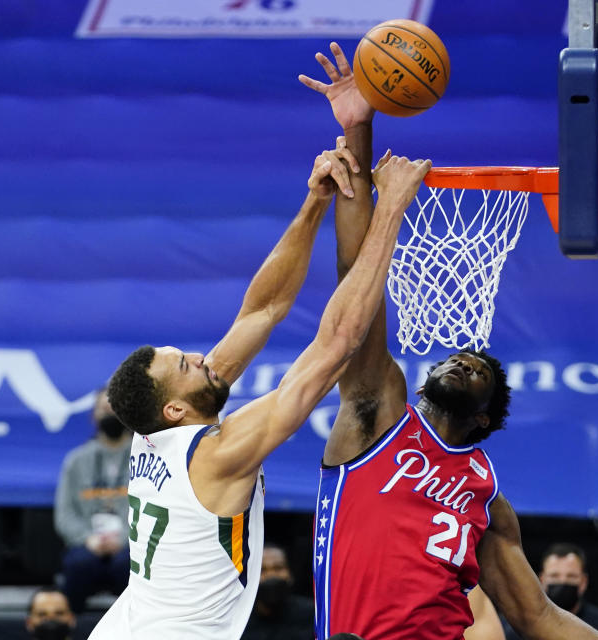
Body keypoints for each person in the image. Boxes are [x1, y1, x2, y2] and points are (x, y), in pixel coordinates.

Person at [300, 43, 598, 640]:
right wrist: (358, 128)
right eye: (460, 360)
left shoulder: (487, 494)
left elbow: (537, 615)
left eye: (478, 371)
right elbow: (355, 283)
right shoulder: (376, 413)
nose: (463, 363)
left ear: (484, 420)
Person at [88, 144, 432, 639]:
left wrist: (315, 202)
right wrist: (392, 208)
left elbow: (262, 310)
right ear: (175, 407)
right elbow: (338, 342)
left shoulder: (157, 427)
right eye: (186, 364)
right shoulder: (218, 453)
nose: (203, 358)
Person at [54, 388, 132, 613]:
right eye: (103, 409)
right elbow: (65, 515)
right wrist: (88, 539)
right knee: (79, 564)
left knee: (128, 566)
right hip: (87, 543)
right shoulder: (76, 461)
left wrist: (125, 539)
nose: (109, 414)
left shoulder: (146, 456)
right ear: (93, 416)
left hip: (131, 544)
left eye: (114, 409)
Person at [534, 544, 598, 639]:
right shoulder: (527, 624)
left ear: (583, 582)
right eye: (554, 576)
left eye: (571, 576)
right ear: (541, 580)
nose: (562, 581)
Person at [241, 544, 315, 640]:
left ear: (290, 574)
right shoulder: (239, 621)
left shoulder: (312, 615)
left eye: (278, 568)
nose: (271, 575)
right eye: (262, 570)